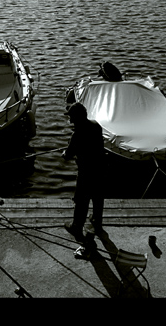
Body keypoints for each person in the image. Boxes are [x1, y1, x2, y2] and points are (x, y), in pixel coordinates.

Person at [62, 102, 105, 241]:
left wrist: (64, 153)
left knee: (81, 200)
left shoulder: (77, 135)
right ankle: (97, 222)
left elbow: (68, 155)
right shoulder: (96, 126)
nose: (70, 120)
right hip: (100, 168)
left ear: (76, 118)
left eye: (71, 117)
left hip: (86, 171)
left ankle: (76, 226)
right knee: (98, 196)